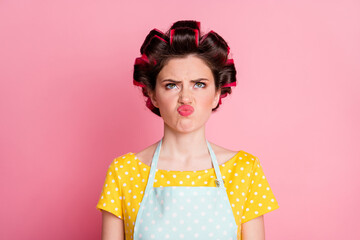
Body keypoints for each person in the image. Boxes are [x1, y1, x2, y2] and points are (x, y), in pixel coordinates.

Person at [96, 20, 279, 240]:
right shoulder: (123, 173)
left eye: (199, 84)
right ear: (153, 94)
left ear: (216, 94)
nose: (185, 97)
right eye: (171, 85)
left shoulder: (245, 171)